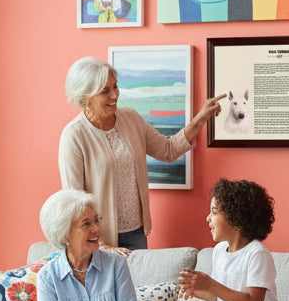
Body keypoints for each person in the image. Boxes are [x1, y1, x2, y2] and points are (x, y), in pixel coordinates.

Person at [59, 57, 224, 251]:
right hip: (97, 238)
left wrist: (200, 118)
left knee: (138, 282)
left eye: (115, 87)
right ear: (85, 97)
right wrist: (100, 243)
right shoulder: (74, 135)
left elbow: (168, 150)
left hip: (136, 232)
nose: (114, 95)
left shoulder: (131, 119)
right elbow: (74, 201)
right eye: (105, 91)